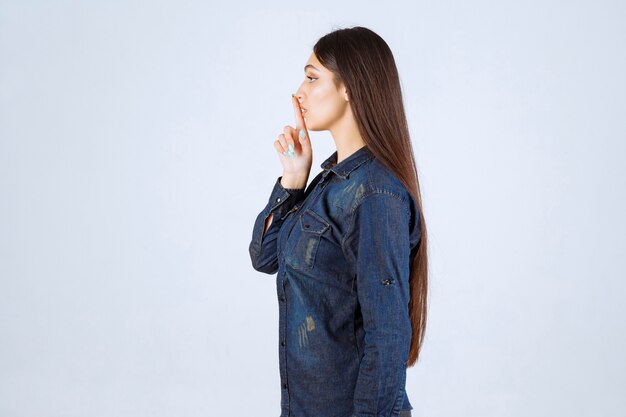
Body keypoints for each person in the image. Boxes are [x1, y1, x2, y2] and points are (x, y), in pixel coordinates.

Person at [248, 26, 429, 417]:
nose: (299, 91)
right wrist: (294, 179)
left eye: (312, 78)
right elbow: (264, 256)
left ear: (350, 87)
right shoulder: (331, 181)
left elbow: (389, 334)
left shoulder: (376, 195)